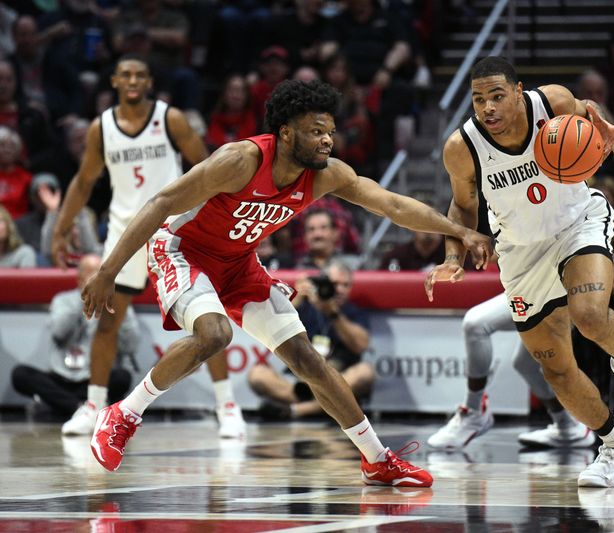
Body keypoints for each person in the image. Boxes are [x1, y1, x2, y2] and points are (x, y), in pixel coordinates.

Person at [79, 79, 492, 485]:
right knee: (215, 333)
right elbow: (163, 202)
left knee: (307, 359)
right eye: (316, 132)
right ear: (286, 132)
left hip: (239, 262)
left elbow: (393, 204)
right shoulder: (240, 160)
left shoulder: (326, 174)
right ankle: (123, 414)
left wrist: (458, 232)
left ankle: (377, 459)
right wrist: (107, 272)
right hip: (182, 252)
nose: (327, 141)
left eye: (330, 131)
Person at [425, 56, 614, 488]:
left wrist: (601, 124)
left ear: (518, 92)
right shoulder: (462, 147)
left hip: (577, 223)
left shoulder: (550, 102)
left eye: (497, 96)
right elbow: (463, 206)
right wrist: (452, 255)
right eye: (479, 99)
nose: (488, 108)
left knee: (589, 315)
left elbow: (586, 109)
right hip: (520, 252)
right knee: (555, 369)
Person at [52, 55, 246, 439]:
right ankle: (94, 405)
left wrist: (218, 225)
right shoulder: (101, 128)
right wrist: (61, 227)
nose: (133, 80)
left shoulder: (170, 119)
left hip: (173, 230)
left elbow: (208, 169)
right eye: (126, 74)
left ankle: (226, 405)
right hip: (125, 231)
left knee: (206, 319)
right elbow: (84, 181)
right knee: (108, 321)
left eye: (140, 74)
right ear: (114, 81)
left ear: (150, 81)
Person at [427, 293, 595, 450]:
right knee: (525, 365)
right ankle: (567, 426)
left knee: (475, 324)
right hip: (532, 286)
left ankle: (474, 411)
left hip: (554, 291)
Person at [248, 260, 374, 419]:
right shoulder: (306, 307)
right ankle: (327, 407)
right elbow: (272, 332)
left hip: (338, 377)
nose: (340, 289)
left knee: (365, 373)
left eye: (346, 285)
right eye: (335, 283)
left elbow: (360, 345)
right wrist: (295, 299)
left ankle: (297, 410)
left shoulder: (354, 311)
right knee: (258, 374)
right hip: (299, 381)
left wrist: (334, 314)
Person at [11, 254, 134, 417]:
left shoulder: (116, 304)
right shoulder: (63, 300)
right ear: (79, 278)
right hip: (61, 377)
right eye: (91, 274)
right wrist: (84, 298)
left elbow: (131, 346)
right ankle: (79, 408)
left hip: (95, 377)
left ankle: (68, 406)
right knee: (21, 374)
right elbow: (59, 333)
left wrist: (118, 312)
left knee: (122, 377)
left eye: (100, 275)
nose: (96, 280)